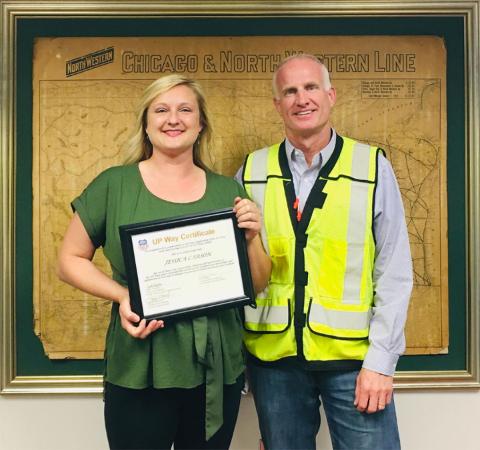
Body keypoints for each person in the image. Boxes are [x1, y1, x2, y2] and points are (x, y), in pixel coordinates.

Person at [57, 74, 271, 450]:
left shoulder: (228, 191)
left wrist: (252, 239)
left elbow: (255, 283)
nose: (173, 119)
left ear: (201, 123)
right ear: (146, 121)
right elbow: (69, 259)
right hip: (140, 363)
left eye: (185, 109)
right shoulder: (114, 185)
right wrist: (123, 296)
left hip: (215, 370)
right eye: (161, 109)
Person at [238, 54, 413, 449]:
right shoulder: (250, 170)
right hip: (275, 364)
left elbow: (394, 270)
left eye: (311, 87)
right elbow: (239, 271)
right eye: (290, 91)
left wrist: (381, 364)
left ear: (331, 95)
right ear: (277, 104)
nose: (302, 99)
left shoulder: (372, 166)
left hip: (354, 364)